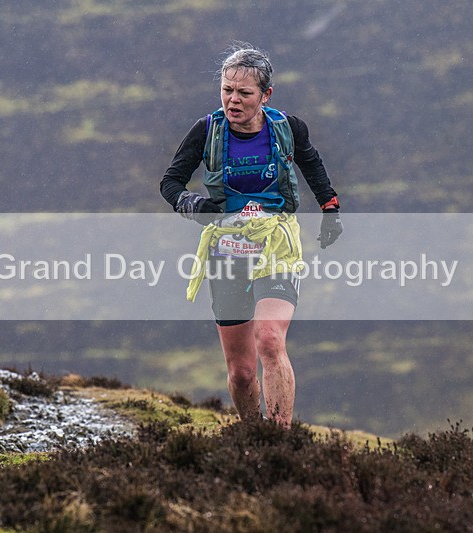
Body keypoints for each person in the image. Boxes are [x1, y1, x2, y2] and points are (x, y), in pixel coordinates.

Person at [160, 43, 342, 428]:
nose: (233, 100)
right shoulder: (207, 130)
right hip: (227, 251)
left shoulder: (287, 128)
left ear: (265, 95)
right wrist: (193, 205)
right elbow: (171, 182)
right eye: (227, 90)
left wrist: (330, 208)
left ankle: (280, 443)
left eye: (244, 93)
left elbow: (310, 161)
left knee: (270, 339)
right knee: (241, 371)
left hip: (277, 244)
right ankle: (253, 436)